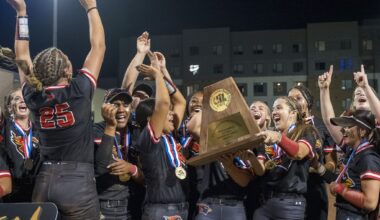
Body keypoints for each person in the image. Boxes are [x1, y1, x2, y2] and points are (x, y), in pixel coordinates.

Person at [8, 0, 106, 218]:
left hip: (44, 180)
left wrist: (21, 12)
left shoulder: (33, 95)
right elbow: (98, 46)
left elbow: (22, 56)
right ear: (68, 70)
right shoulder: (80, 89)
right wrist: (91, 7)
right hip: (77, 183)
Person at [135, 61, 187, 220]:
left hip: (182, 207)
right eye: (167, 113)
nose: (172, 115)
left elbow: (180, 102)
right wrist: (156, 75)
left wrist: (162, 72)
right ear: (152, 119)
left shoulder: (171, 135)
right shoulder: (148, 139)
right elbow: (164, 103)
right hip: (160, 210)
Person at [253, 96, 318, 220]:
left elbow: (299, 152)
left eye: (279, 108)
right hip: (264, 203)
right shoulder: (269, 138)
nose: (274, 112)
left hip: (289, 204)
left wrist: (279, 138)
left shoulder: (306, 131)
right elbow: (260, 170)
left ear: (293, 113)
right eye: (272, 109)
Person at [93, 88, 144, 220]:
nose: (121, 109)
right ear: (105, 108)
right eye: (115, 105)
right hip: (107, 205)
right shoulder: (96, 130)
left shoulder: (136, 131)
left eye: (126, 105)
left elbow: (148, 175)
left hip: (136, 203)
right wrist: (110, 126)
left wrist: (131, 169)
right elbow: (101, 167)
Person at [288, 84, 336, 220]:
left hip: (315, 189)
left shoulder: (321, 126)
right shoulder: (286, 128)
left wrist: (318, 168)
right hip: (291, 190)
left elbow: (332, 164)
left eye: (298, 98)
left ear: (308, 102)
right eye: (290, 99)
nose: (294, 102)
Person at [329, 110, 380, 219]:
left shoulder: (368, 158)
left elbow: (370, 202)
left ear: (362, 131)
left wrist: (341, 190)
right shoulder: (354, 152)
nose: (343, 130)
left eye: (349, 126)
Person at [0, 88, 41, 202]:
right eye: (17, 99)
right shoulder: (5, 125)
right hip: (10, 195)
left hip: (35, 194)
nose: (22, 101)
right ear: (9, 107)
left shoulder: (40, 131)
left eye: (25, 98)